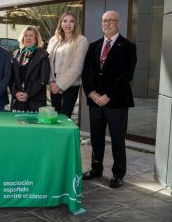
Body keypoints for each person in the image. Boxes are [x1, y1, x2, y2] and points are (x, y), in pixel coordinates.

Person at [82, 11, 137, 188]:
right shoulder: (94, 46)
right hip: (95, 102)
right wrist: (91, 93)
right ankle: (96, 169)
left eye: (111, 20)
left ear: (118, 23)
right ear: (101, 23)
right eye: (104, 20)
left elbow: (126, 75)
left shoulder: (128, 46)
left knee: (117, 139)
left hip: (116, 102)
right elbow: (86, 73)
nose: (107, 23)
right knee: (96, 138)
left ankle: (118, 173)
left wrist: (107, 96)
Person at [47, 12, 89, 118]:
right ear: (60, 24)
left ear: (76, 24)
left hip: (71, 84)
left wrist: (59, 85)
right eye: (65, 21)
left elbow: (77, 66)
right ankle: (56, 135)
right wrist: (51, 82)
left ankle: (65, 135)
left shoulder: (81, 41)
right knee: (54, 116)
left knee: (65, 116)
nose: (68, 24)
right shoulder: (53, 40)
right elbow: (48, 62)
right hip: (53, 82)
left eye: (71, 21)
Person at [11, 25, 50, 112]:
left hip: (35, 102)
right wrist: (16, 93)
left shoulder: (43, 55)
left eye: (31, 35)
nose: (28, 38)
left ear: (36, 38)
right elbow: (11, 78)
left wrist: (28, 93)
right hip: (18, 101)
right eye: (26, 35)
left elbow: (43, 79)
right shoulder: (16, 54)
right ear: (23, 38)